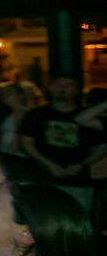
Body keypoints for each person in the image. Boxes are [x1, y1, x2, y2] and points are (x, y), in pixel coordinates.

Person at [19, 76, 107, 211]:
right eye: (58, 84)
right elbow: (26, 143)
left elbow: (102, 145)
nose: (63, 88)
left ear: (77, 90)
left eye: (68, 85)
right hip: (43, 181)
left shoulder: (89, 117)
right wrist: (49, 165)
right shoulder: (36, 114)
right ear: (50, 88)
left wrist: (82, 164)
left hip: (78, 182)